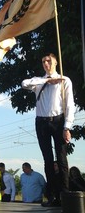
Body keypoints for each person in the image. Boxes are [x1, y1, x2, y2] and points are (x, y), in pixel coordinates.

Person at [21, 53, 75, 207]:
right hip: (41, 122)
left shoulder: (65, 80)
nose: (46, 63)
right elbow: (24, 83)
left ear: (56, 62)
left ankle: (64, 195)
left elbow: (70, 104)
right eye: (43, 61)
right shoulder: (39, 82)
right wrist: (47, 80)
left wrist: (67, 126)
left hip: (58, 121)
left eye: (49, 60)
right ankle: (52, 196)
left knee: (62, 158)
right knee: (47, 159)